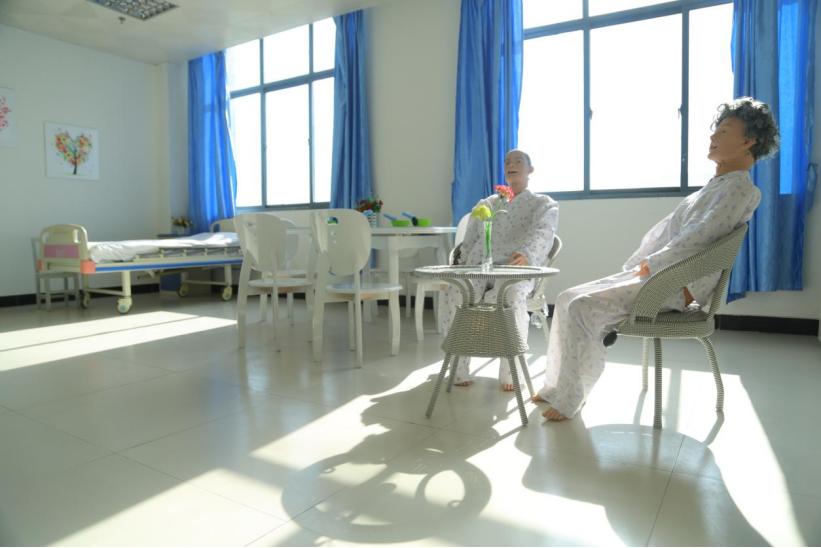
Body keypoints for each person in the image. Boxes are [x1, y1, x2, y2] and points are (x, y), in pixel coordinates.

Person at [534, 97, 780, 421]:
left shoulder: (740, 189)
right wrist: (639, 266)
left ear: (749, 141)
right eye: (715, 130)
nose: (713, 136)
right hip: (658, 274)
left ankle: (570, 399)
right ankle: (555, 386)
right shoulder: (711, 189)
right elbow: (666, 234)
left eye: (724, 130)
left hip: (674, 283)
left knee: (582, 306)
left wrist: (653, 265)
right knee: (567, 298)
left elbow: (701, 238)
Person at [441, 149, 560, 391]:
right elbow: (471, 237)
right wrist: (463, 260)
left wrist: (527, 253)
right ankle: (458, 368)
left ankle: (510, 373)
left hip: (515, 269)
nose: (511, 164)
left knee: (510, 295)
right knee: (454, 293)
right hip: (479, 266)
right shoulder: (487, 204)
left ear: (530, 169)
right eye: (507, 161)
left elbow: (544, 232)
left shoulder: (542, 203)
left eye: (518, 161)